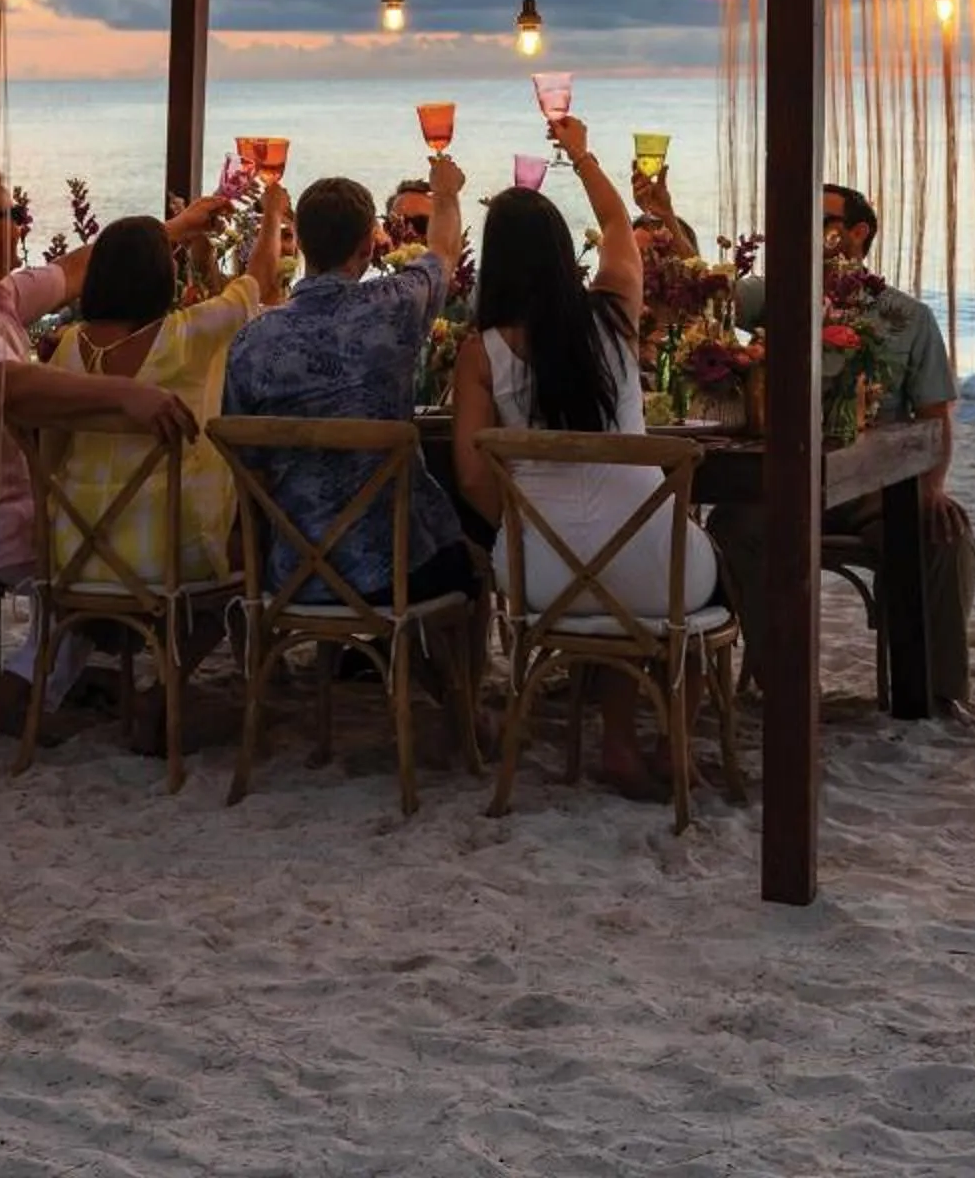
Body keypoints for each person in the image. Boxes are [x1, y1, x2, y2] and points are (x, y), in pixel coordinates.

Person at [0, 164, 230, 734]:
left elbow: (74, 269)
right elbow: (6, 382)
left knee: (95, 527)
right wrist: (126, 394)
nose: (22, 222)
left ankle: (67, 675)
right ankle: (30, 687)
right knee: (103, 549)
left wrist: (177, 227)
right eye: (11, 214)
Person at [451, 113, 717, 800]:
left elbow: (472, 474)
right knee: (704, 581)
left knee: (599, 573)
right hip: (653, 569)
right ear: (565, 255)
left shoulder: (481, 352)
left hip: (542, 574)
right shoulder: (614, 315)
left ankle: (622, 746)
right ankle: (666, 744)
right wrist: (582, 155)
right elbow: (623, 233)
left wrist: (518, 533)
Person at [220, 158, 480, 737]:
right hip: (394, 572)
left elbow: (244, 466)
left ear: (303, 243)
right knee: (469, 566)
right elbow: (443, 252)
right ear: (369, 246)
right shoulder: (394, 308)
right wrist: (444, 193)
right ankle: (460, 711)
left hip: (288, 574)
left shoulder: (253, 341)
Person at [40, 186, 287, 589]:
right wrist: (273, 214)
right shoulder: (186, 337)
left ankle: (87, 639)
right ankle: (202, 647)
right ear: (160, 276)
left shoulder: (68, 346)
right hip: (166, 555)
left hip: (74, 553)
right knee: (257, 541)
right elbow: (257, 281)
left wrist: (192, 240)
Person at [821, 180, 975, 706]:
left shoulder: (907, 317)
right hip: (780, 487)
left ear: (858, 233)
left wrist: (932, 488)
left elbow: (935, 416)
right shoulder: (773, 302)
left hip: (870, 488)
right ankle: (775, 684)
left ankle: (935, 691)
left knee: (943, 535)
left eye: (823, 222)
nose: (809, 231)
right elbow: (707, 290)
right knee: (731, 532)